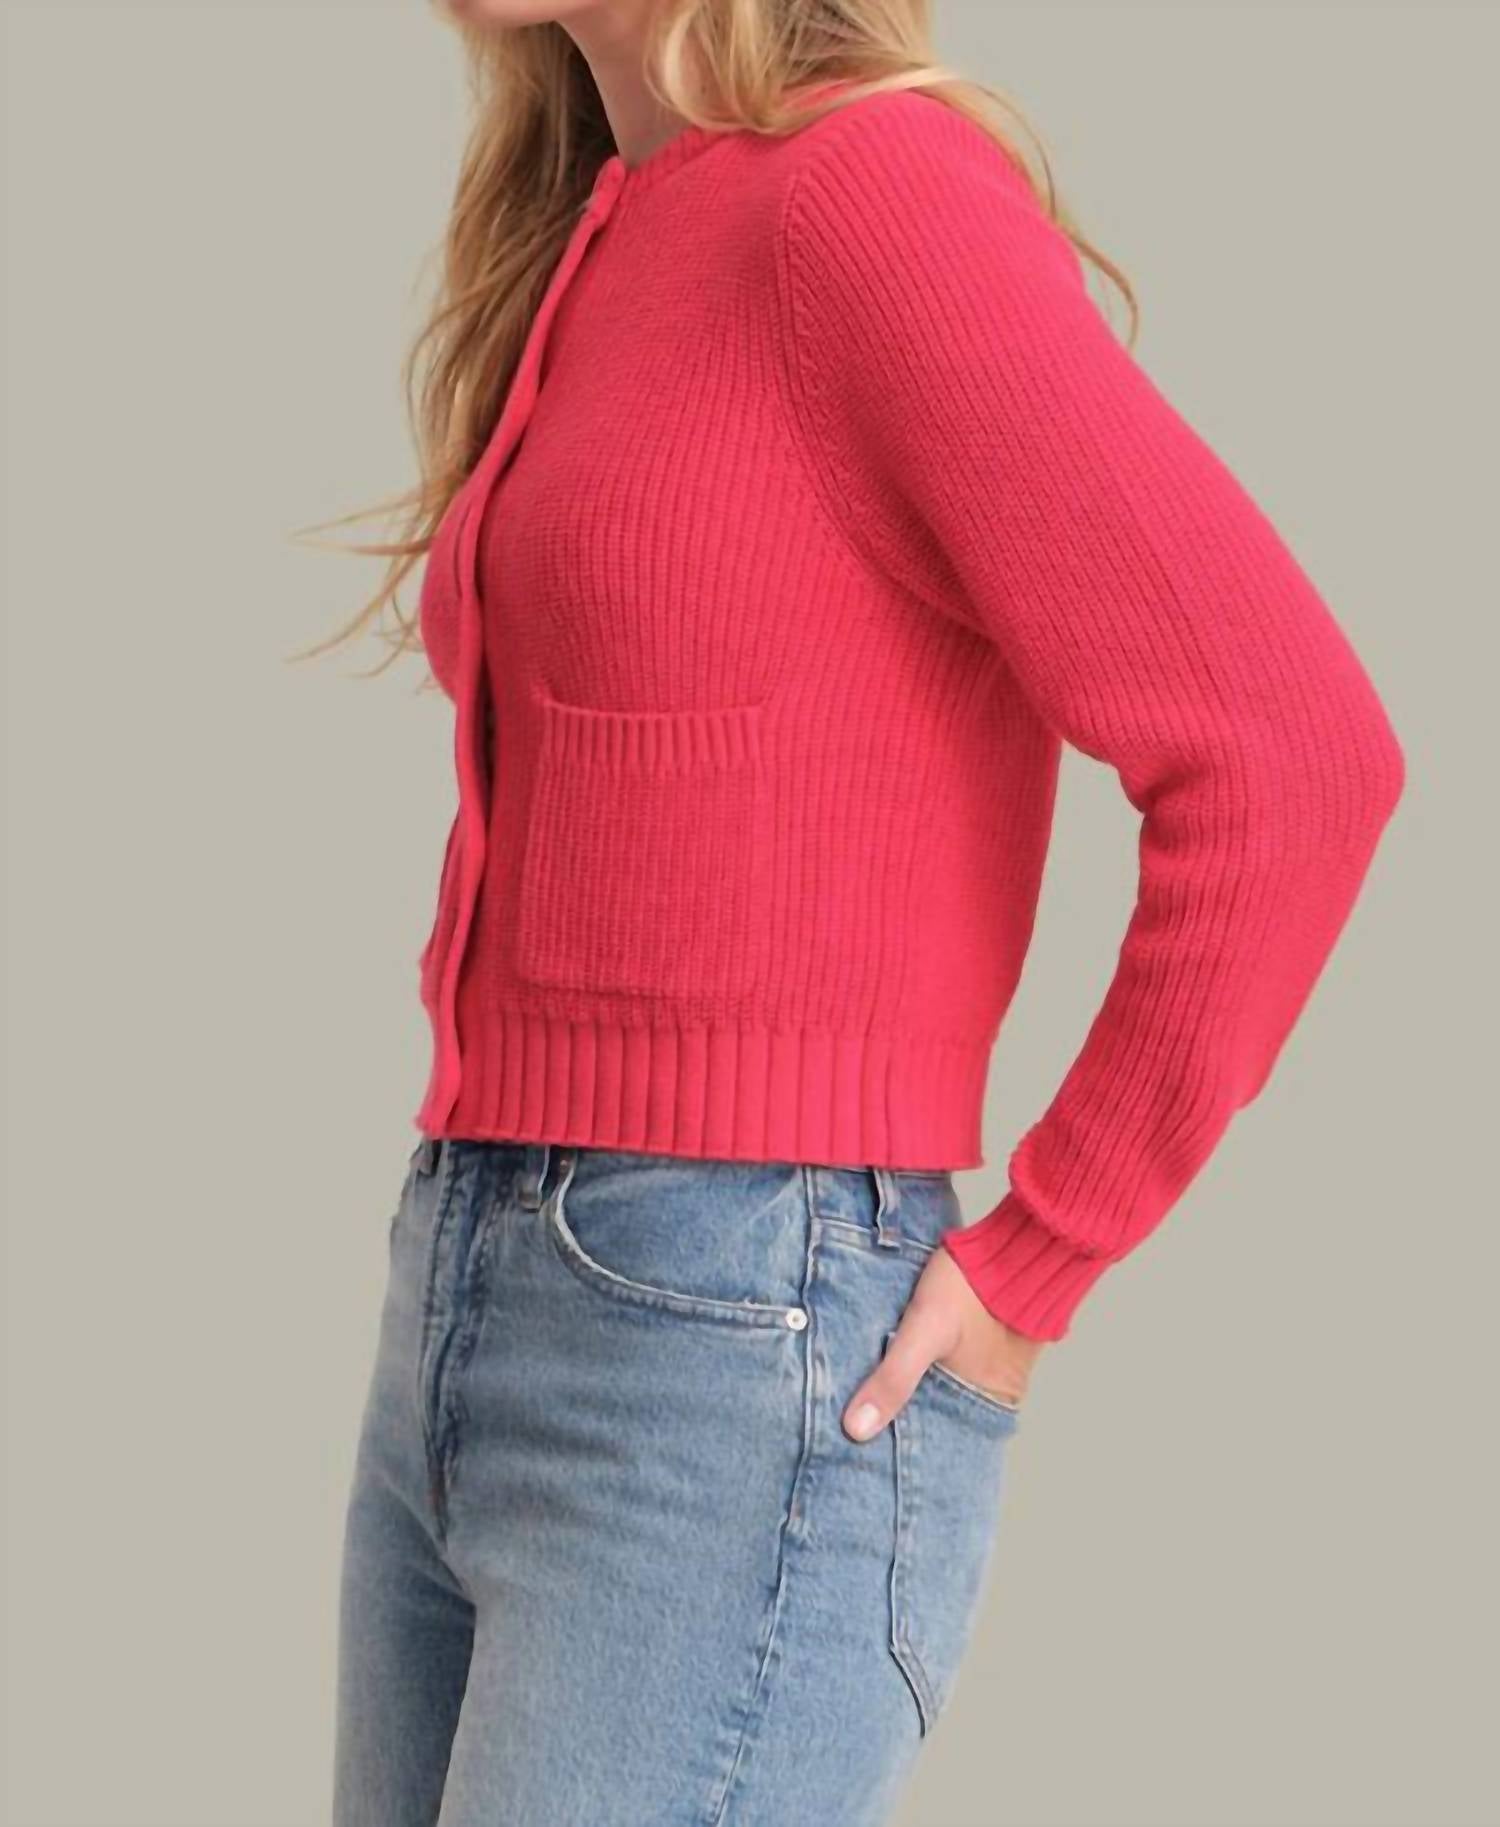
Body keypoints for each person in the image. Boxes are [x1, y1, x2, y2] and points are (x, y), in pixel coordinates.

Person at [319, 2, 1406, 1821]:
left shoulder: (871, 198)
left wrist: (1046, 1251)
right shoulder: (608, 222)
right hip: (468, 1287)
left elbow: (1295, 752)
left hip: (731, 1342)